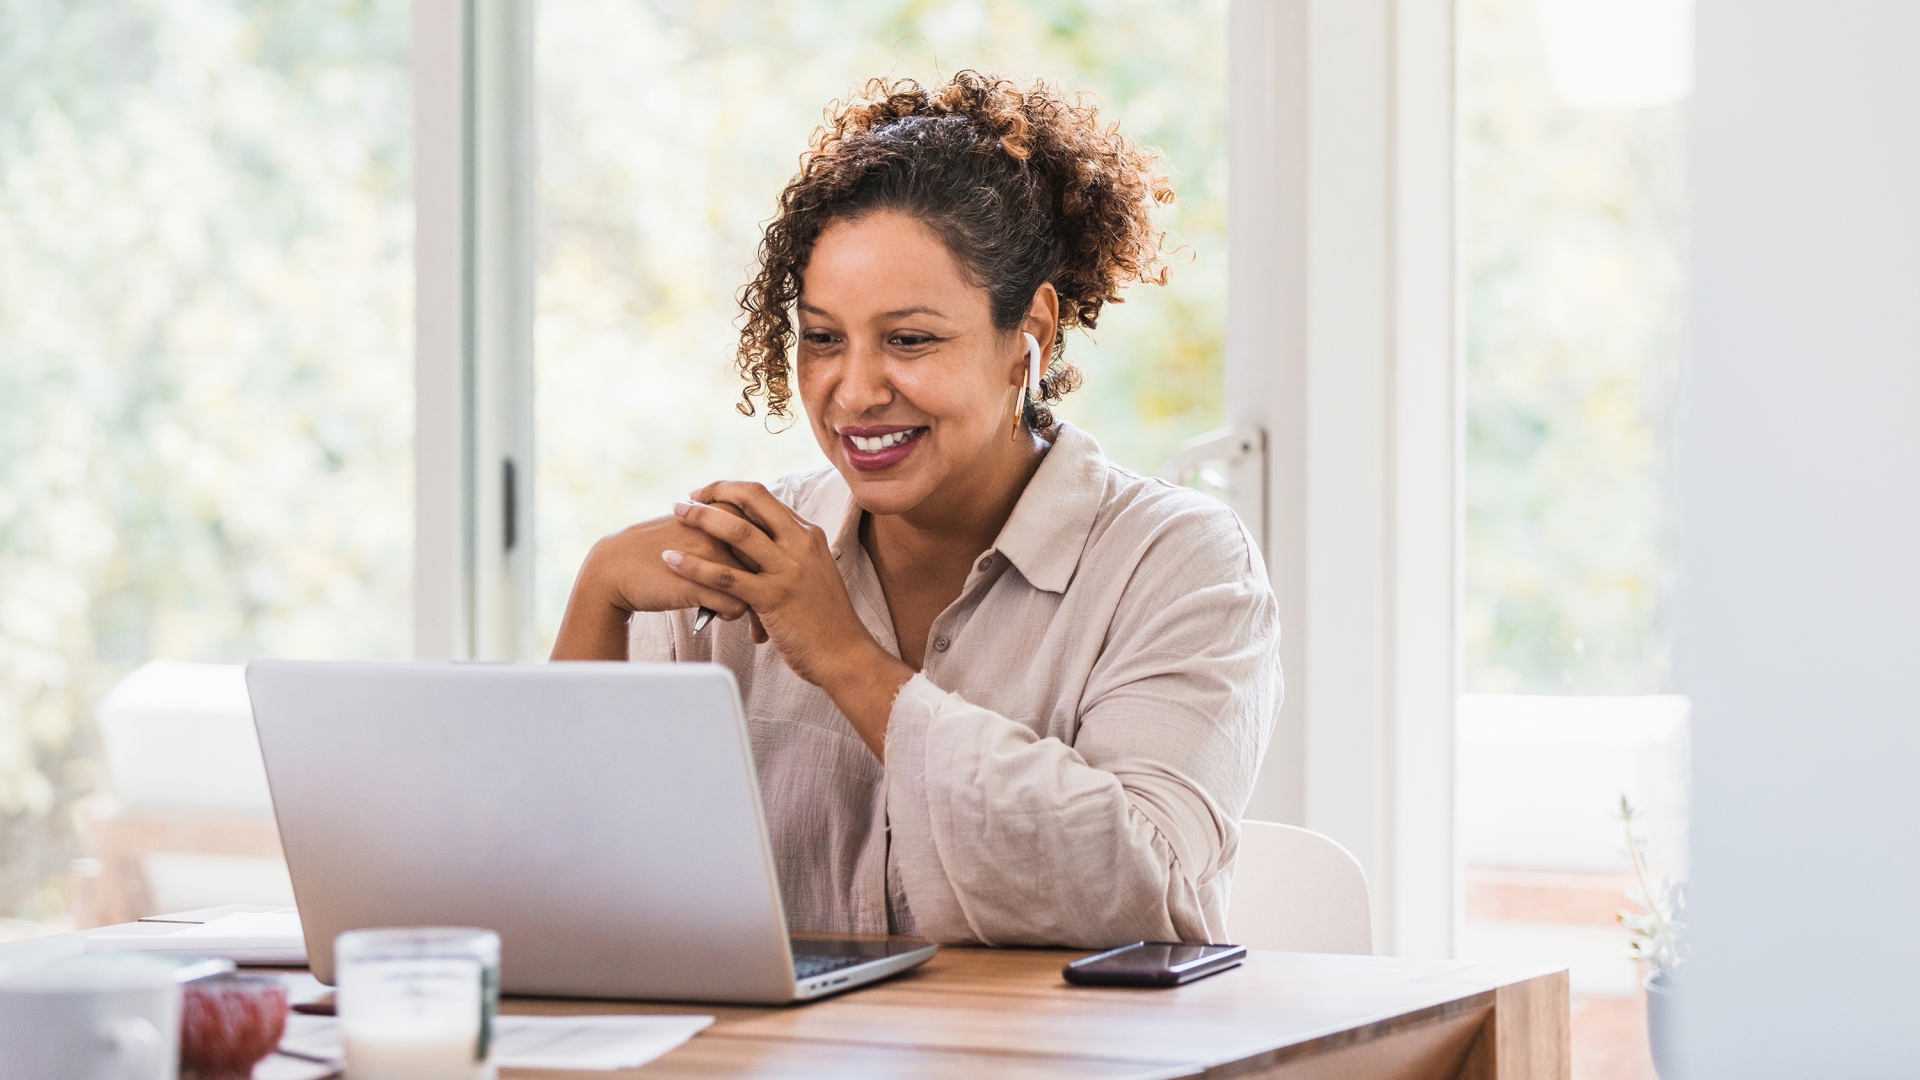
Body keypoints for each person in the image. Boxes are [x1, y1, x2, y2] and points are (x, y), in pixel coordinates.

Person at [552, 71, 1280, 948]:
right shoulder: (731, 560)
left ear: (1030, 339)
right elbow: (555, 892)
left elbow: (1139, 887)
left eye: (910, 340)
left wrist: (845, 658)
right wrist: (599, 592)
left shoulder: (1178, 565)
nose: (854, 391)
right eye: (823, 338)